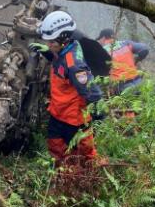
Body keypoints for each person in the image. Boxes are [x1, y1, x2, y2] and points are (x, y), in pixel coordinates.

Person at [29, 11, 104, 166]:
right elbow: (60, 63)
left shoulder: (74, 65)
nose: (49, 44)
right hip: (58, 111)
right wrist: (48, 53)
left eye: (51, 42)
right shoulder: (64, 49)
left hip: (72, 119)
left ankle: (81, 177)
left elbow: (91, 91)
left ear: (63, 38)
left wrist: (98, 114)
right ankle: (61, 173)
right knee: (55, 146)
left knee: (82, 154)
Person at [97, 29, 149, 94]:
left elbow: (98, 72)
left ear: (103, 38)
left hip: (121, 86)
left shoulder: (101, 52)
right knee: (143, 101)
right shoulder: (125, 43)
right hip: (137, 81)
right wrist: (136, 60)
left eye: (99, 40)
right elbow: (144, 48)